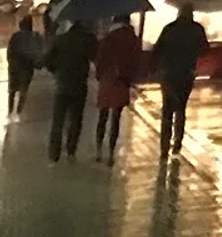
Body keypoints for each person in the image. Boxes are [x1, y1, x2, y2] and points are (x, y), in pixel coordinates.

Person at [152, 6, 207, 156]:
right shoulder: (197, 29)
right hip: (186, 74)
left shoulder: (169, 29)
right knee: (181, 108)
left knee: (167, 110)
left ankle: (164, 147)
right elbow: (205, 49)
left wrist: (158, 67)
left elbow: (157, 50)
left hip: (169, 74)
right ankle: (177, 143)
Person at [42, 19, 97, 162]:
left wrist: (57, 71)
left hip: (62, 83)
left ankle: (54, 154)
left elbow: (47, 61)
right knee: (76, 119)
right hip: (79, 84)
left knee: (58, 120)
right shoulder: (89, 40)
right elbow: (95, 58)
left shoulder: (62, 40)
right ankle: (71, 150)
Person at [92, 15, 141, 164]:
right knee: (116, 118)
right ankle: (111, 154)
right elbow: (136, 61)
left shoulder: (108, 39)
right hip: (122, 82)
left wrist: (99, 76)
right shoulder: (133, 39)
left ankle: (99, 151)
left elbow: (99, 60)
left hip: (107, 80)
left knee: (103, 116)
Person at [7, 16, 42, 116]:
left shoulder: (15, 36)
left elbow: (10, 51)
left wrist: (11, 63)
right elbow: (38, 52)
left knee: (12, 90)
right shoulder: (35, 36)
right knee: (24, 89)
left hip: (15, 66)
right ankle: (19, 111)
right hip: (27, 67)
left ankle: (10, 110)